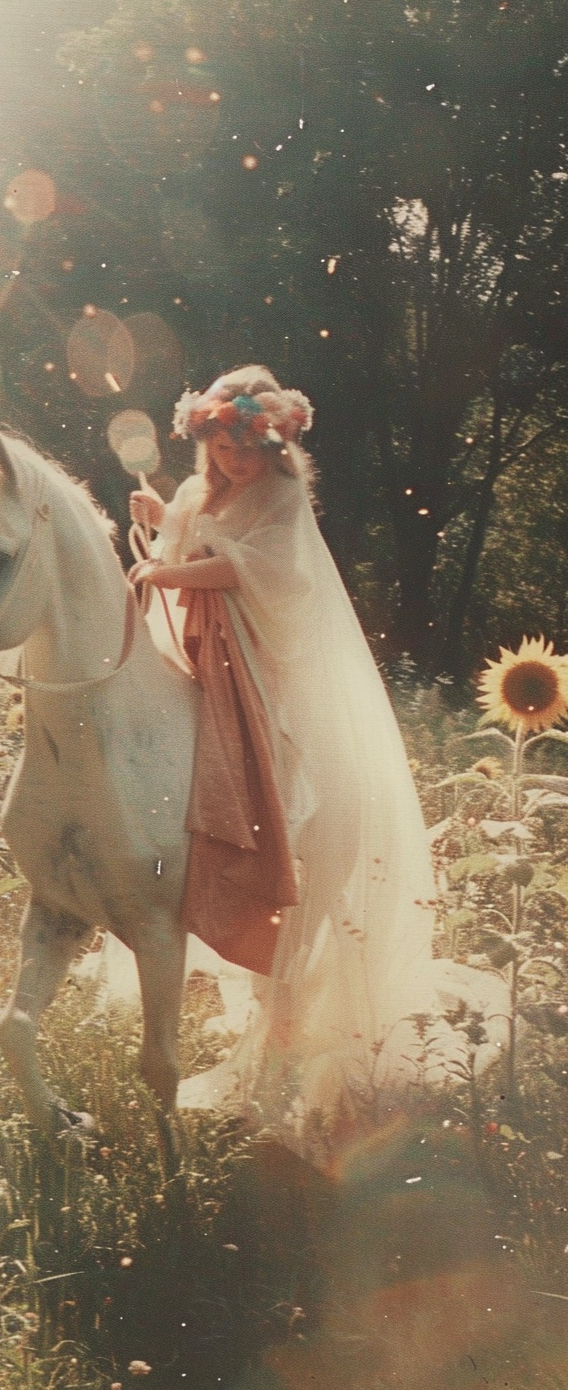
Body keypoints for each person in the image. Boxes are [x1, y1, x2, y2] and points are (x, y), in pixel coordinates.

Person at [121, 365, 508, 1142]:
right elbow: (194, 542)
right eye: (222, 443)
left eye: (248, 446)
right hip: (208, 665)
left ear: (273, 444)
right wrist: (162, 518)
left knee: (287, 828)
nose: (235, 458)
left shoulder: (283, 496)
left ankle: (297, 1035)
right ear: (205, 439)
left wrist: (166, 566)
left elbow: (258, 571)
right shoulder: (199, 495)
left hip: (270, 674)